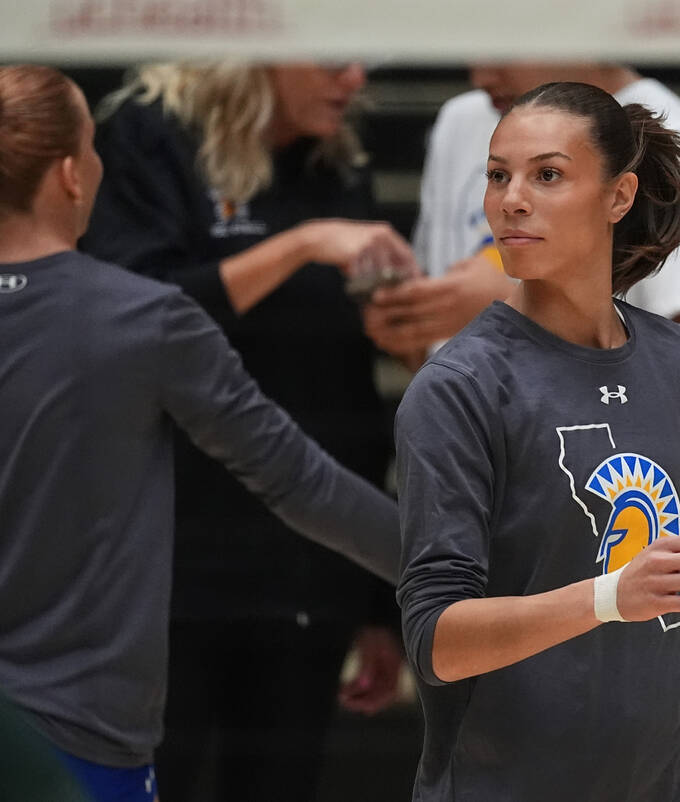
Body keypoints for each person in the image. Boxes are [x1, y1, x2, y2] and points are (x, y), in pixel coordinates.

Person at [0, 65, 403, 802]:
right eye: (92, 148)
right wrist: (464, 572)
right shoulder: (143, 320)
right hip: (81, 736)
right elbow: (297, 479)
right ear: (68, 174)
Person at [394, 81, 680, 801]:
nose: (511, 199)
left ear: (619, 197)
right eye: (499, 175)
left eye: (546, 175)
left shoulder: (674, 360)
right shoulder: (459, 386)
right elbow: (435, 640)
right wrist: (613, 595)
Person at [363, 62, 680, 364]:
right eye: (496, 175)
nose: (480, 74)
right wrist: (408, 327)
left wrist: (518, 309)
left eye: (548, 175)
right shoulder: (461, 119)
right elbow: (436, 344)